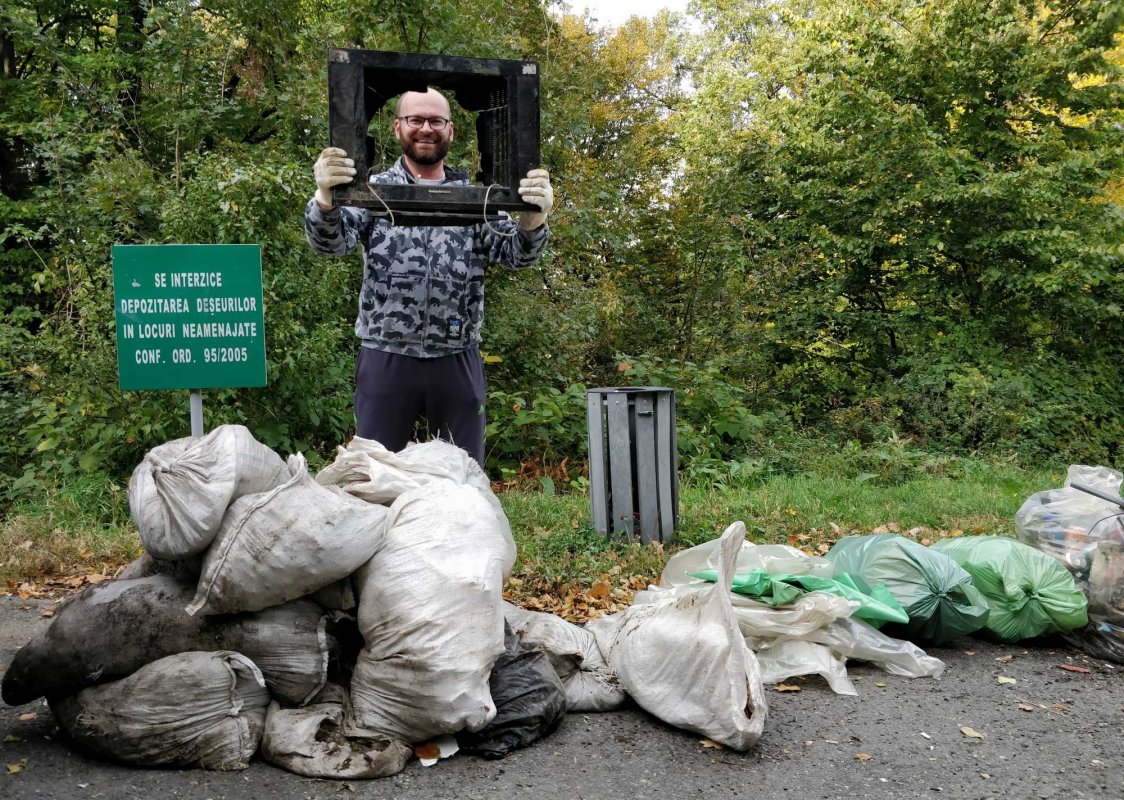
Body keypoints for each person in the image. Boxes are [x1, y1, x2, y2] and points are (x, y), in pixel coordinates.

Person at [305, 87, 553, 467]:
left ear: (451, 131)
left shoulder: (478, 198)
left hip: (456, 357)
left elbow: (515, 256)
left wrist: (534, 217)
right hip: (386, 354)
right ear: (397, 127)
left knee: (462, 478)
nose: (426, 128)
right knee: (372, 477)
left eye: (436, 121)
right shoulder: (372, 192)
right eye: (416, 120)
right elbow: (330, 244)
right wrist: (325, 196)